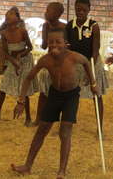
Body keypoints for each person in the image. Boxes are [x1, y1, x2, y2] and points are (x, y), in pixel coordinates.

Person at [11, 29, 98, 178]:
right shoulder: (45, 60)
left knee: (65, 131)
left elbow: (86, 63)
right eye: (51, 42)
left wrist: (93, 83)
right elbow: (28, 78)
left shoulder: (74, 57)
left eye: (58, 41)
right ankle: (27, 166)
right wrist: (21, 100)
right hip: (54, 95)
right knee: (41, 131)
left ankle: (61, 171)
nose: (53, 45)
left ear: (66, 44)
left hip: (71, 96)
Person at [65, 0, 108, 135]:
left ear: (89, 10)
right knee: (71, 94)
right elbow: (67, 47)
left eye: (84, 10)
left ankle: (99, 127)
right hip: (75, 63)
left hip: (92, 62)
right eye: (78, 9)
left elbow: (96, 48)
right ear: (75, 9)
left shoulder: (94, 26)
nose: (81, 12)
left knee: (96, 94)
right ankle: (68, 123)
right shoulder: (69, 25)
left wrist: (90, 68)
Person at [0, 8, 38, 126]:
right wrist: (13, 61)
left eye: (11, 14)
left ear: (17, 18)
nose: (8, 15)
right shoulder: (4, 33)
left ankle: (28, 118)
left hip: (25, 61)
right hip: (12, 61)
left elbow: (30, 47)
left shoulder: (23, 31)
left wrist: (20, 56)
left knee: (24, 89)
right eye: (7, 14)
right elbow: (5, 52)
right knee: (4, 86)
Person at [34, 2, 66, 126]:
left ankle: (58, 120)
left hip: (61, 62)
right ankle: (38, 119)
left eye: (49, 11)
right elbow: (44, 45)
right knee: (43, 91)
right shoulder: (45, 26)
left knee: (60, 92)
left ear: (58, 14)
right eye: (46, 10)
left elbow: (66, 46)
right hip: (50, 61)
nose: (46, 13)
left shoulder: (64, 27)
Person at [0, 6, 25, 74]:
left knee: (8, 46)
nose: (10, 16)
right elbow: (0, 31)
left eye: (13, 14)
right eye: (10, 14)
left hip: (16, 41)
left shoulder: (21, 22)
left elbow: (21, 34)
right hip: (6, 39)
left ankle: (7, 66)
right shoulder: (6, 22)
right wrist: (6, 26)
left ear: (17, 15)